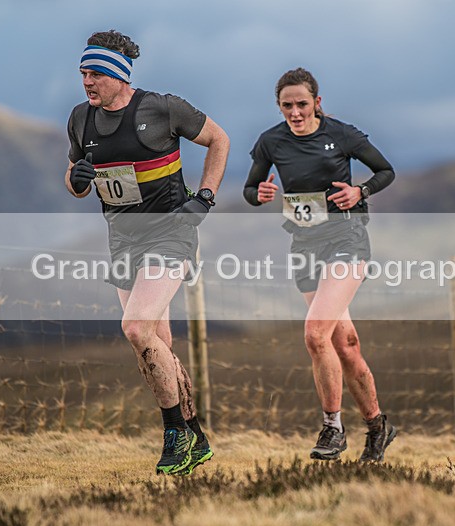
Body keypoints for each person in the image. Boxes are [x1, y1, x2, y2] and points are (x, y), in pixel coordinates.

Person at [65, 30, 230, 475]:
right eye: (82, 72)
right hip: (123, 239)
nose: (86, 81)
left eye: (95, 72)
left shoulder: (162, 108)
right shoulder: (80, 119)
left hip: (170, 234)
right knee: (158, 345)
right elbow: (75, 182)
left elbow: (219, 140)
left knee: (136, 329)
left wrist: (206, 197)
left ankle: (174, 432)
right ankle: (196, 436)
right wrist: (77, 179)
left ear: (118, 74)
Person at [243, 67, 397, 462]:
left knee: (315, 334)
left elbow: (385, 170)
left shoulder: (340, 134)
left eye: (301, 104)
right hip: (305, 244)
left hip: (347, 239)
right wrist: (258, 193)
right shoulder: (270, 142)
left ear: (317, 103)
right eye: (286, 105)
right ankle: (379, 427)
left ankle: (332, 428)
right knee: (344, 344)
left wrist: (359, 190)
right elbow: (250, 188)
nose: (295, 112)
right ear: (278, 106)